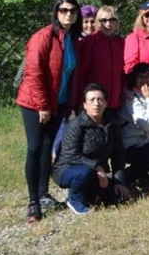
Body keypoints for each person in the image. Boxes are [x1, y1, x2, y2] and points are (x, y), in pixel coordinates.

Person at [17, 0, 83, 223]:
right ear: (56, 12)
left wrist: (70, 105)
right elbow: (34, 74)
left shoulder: (73, 39)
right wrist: (43, 106)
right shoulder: (43, 36)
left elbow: (72, 75)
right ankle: (33, 202)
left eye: (73, 11)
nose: (68, 14)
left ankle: (44, 194)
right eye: (63, 10)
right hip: (34, 103)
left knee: (47, 148)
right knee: (35, 148)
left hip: (59, 103)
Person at [53, 84, 131, 215]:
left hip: (95, 173)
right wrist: (97, 167)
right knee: (85, 172)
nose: (96, 103)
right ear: (84, 104)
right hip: (68, 169)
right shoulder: (76, 125)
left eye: (100, 99)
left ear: (106, 103)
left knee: (117, 197)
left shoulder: (111, 125)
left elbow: (119, 154)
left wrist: (119, 182)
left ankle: (90, 193)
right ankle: (73, 199)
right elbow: (70, 155)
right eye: (92, 100)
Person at [119, 63, 149, 184]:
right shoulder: (131, 98)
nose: (145, 80)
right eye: (140, 76)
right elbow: (148, 126)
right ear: (134, 79)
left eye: (148, 76)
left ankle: (145, 174)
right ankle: (126, 177)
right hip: (131, 144)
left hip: (147, 140)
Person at [82, 5, 125, 115]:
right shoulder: (89, 42)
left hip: (115, 102)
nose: (108, 24)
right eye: (104, 20)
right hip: (94, 104)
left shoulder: (121, 43)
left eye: (112, 20)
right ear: (97, 22)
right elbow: (81, 73)